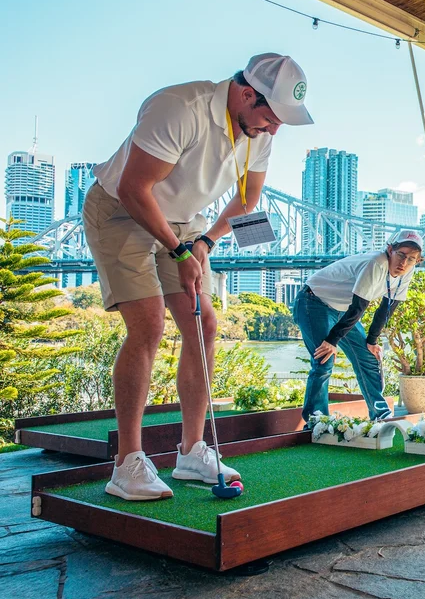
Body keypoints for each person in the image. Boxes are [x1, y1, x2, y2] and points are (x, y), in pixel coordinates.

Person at [84, 53, 313, 501]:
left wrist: (202, 244)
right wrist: (177, 249)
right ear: (246, 93)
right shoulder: (178, 108)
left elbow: (247, 202)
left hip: (186, 220)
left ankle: (191, 453)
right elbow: (134, 189)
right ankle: (126, 463)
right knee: (149, 324)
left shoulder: (258, 132)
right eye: (270, 118)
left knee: (204, 323)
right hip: (122, 210)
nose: (274, 130)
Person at [293, 230, 424, 423]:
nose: (404, 263)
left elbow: (388, 307)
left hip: (342, 310)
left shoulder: (407, 270)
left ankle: (381, 415)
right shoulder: (377, 263)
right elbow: (359, 306)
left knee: (368, 356)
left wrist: (372, 340)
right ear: (390, 249)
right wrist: (332, 340)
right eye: (401, 255)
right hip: (313, 302)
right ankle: (316, 420)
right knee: (324, 359)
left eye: (412, 259)